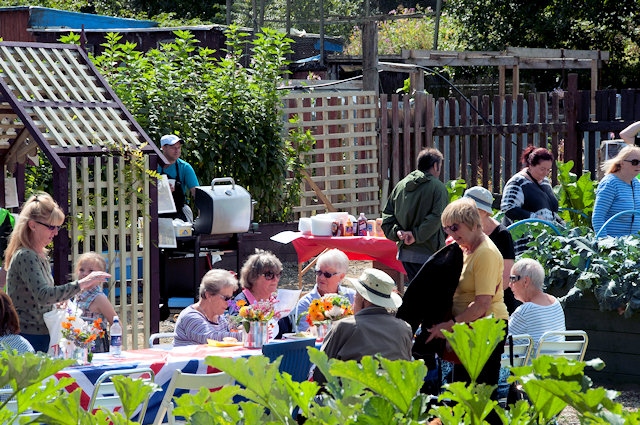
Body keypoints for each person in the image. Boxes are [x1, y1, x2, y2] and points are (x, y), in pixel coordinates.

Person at [427, 198, 508, 412]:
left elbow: (482, 304)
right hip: (469, 329)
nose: (451, 234)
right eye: (446, 229)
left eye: (455, 227)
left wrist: (450, 325)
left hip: (486, 328)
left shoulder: (486, 253)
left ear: (472, 222)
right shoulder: (465, 249)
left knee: (481, 398)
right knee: (461, 395)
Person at [3, 193, 111, 353]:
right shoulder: (26, 255)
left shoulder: (39, 254)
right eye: (51, 227)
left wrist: (57, 302)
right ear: (33, 225)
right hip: (30, 336)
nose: (55, 232)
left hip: (42, 332)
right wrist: (83, 283)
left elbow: (42, 298)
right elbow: (43, 295)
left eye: (58, 227)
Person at [312, 268, 412, 385]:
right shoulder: (404, 328)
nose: (354, 298)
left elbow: (321, 373)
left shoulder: (344, 327)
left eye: (356, 295)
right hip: (392, 399)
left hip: (351, 399)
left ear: (363, 299)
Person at [382, 147, 448, 282]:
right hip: (429, 252)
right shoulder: (438, 187)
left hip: (405, 253)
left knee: (416, 292)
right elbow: (437, 218)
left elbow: (387, 215)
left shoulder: (400, 186)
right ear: (436, 166)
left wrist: (398, 232)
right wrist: (416, 235)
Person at [463, 186, 519, 314]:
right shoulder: (463, 230)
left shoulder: (502, 235)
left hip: (496, 303)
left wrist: (482, 301)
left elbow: (506, 278)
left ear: (483, 212)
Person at [500, 146, 561, 254]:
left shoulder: (545, 182)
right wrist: (534, 218)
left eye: (548, 170)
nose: (545, 173)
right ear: (531, 165)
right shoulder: (517, 182)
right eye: (542, 169)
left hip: (544, 242)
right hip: (524, 245)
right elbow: (508, 208)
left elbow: (551, 207)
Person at [291, 249, 356, 332]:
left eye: (327, 274)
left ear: (341, 276)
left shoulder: (352, 297)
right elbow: (304, 338)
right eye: (319, 272)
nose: (321, 277)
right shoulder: (306, 303)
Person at [232, 249, 289, 338]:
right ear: (253, 277)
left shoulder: (278, 303)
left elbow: (288, 333)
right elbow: (235, 330)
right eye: (269, 275)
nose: (276, 279)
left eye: (278, 274)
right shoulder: (240, 302)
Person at [174, 269, 240, 347]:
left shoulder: (219, 317)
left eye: (231, 298)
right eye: (226, 298)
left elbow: (232, 332)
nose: (229, 302)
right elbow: (210, 338)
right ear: (208, 295)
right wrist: (248, 336)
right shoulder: (190, 316)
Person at [592, 145, 640, 237]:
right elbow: (598, 217)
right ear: (622, 163)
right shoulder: (610, 184)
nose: (639, 165)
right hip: (614, 245)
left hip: (633, 245)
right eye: (635, 162)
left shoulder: (636, 184)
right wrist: (605, 243)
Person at [157, 134, 200, 222]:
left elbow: (197, 193)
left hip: (179, 214)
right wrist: (161, 189)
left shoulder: (185, 167)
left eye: (179, 147)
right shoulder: (152, 166)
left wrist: (202, 217)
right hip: (156, 213)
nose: (177, 151)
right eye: (173, 148)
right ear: (163, 148)